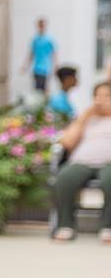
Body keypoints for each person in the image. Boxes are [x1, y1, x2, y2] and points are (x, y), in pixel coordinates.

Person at [52, 81, 111, 242]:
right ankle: (66, 226)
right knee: (64, 178)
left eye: (107, 96)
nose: (102, 100)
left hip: (108, 163)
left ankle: (108, 227)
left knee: (110, 180)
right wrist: (84, 117)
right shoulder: (86, 119)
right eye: (98, 96)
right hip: (81, 161)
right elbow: (67, 143)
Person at [24, 17, 56, 96]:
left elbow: (54, 54)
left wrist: (56, 66)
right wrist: (26, 66)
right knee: (36, 90)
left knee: (45, 90)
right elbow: (31, 54)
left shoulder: (49, 39)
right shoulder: (35, 39)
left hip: (46, 68)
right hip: (37, 68)